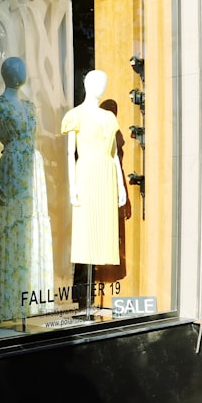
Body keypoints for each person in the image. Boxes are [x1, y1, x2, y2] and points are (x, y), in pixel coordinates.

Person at [0, 57, 54, 322]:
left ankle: (29, 299)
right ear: (6, 74)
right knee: (10, 228)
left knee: (31, 227)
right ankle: (9, 302)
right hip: (10, 168)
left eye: (23, 67)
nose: (21, 72)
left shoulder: (30, 106)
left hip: (32, 169)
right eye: (16, 68)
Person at [62, 70, 127, 267]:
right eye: (97, 82)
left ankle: (101, 261)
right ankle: (86, 268)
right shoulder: (75, 115)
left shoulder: (109, 118)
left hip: (107, 174)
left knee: (105, 225)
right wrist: (72, 187)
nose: (101, 86)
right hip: (86, 173)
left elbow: (114, 154)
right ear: (86, 84)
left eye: (104, 82)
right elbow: (69, 153)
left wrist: (121, 186)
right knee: (87, 225)